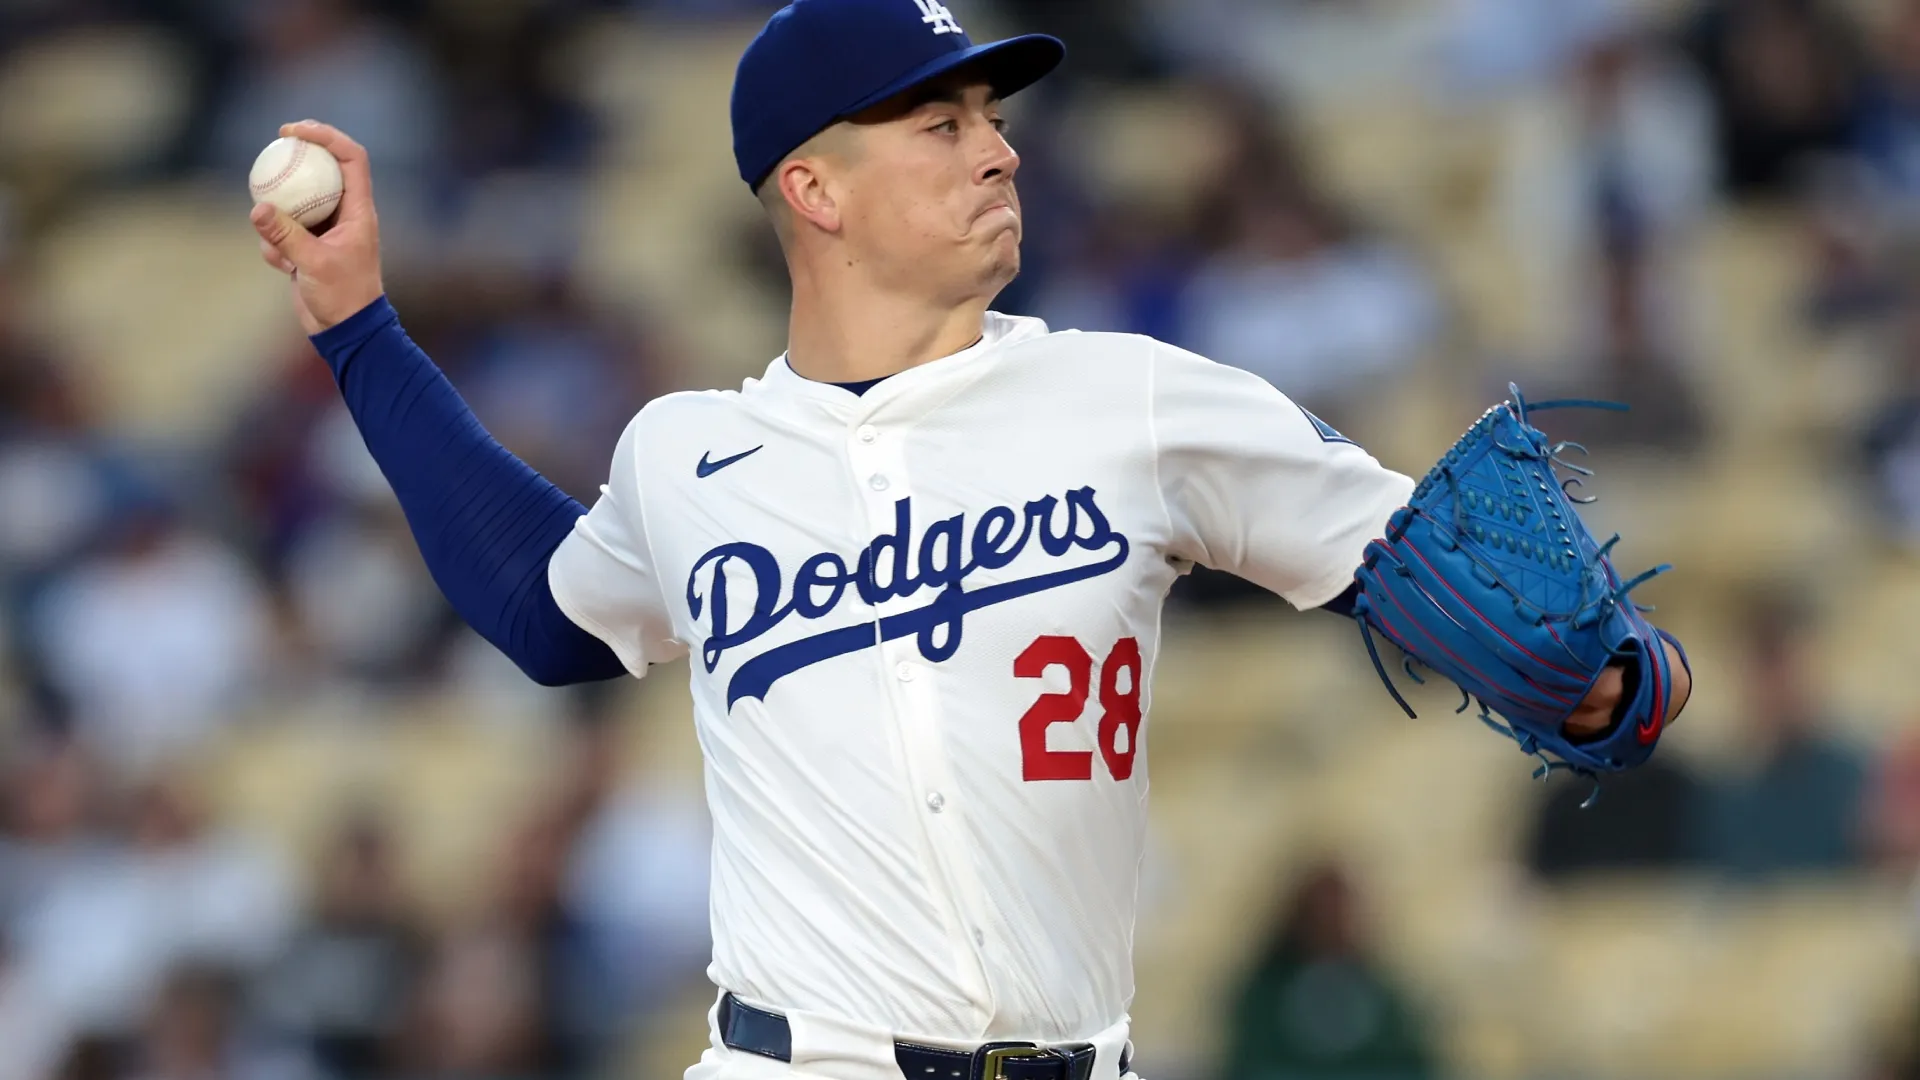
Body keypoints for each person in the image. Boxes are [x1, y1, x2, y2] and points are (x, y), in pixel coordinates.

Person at [245, 2, 1692, 1076]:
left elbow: (1454, 578)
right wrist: (357, 325)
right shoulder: (685, 455)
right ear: (814, 189)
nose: (999, 152)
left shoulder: (1132, 397)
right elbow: (543, 610)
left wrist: (1622, 681)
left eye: (992, 119)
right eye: (941, 126)